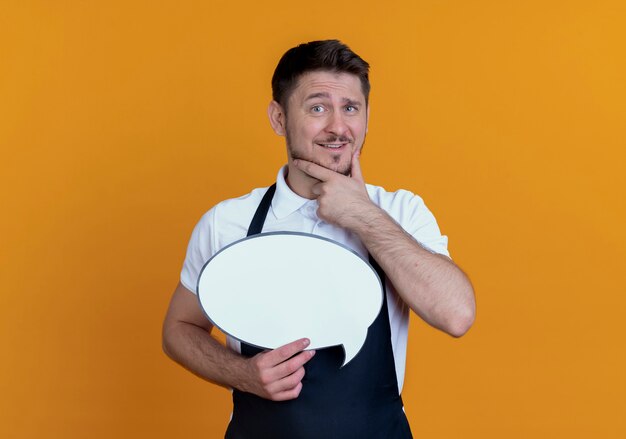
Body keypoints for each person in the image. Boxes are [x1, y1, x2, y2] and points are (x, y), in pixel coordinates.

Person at [162, 39, 475, 438]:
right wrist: (242, 373)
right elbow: (179, 329)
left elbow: (457, 314)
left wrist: (363, 216)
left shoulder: (399, 212)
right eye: (317, 107)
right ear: (278, 118)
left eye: (350, 108)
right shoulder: (228, 222)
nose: (338, 127)